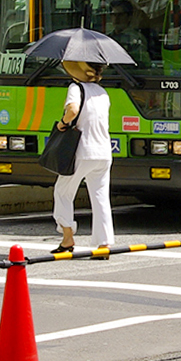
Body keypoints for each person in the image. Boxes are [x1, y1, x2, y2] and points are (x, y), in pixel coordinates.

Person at [52, 59, 115, 253]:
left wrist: (62, 123)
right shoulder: (103, 92)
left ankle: (68, 238)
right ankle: (103, 244)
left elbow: (73, 110)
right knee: (100, 197)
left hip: (83, 150)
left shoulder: (76, 88)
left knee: (63, 191)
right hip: (104, 152)